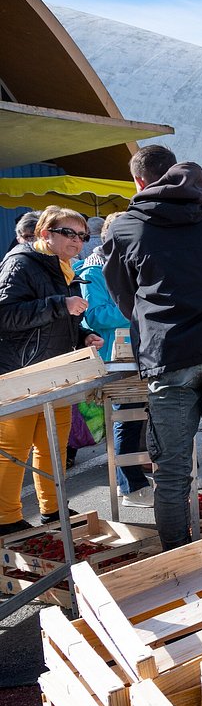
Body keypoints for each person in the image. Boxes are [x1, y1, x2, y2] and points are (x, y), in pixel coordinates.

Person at [102, 145, 202, 551]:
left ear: (139, 181)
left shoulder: (124, 228)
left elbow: (124, 296)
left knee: (173, 472)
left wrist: (153, 319)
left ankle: (178, 561)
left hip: (169, 353)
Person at [0, 206, 104, 534]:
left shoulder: (64, 268)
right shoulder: (20, 263)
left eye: (82, 235)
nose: (78, 241)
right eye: (69, 233)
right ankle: (5, 518)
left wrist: (82, 335)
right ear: (46, 234)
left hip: (58, 370)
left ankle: (53, 508)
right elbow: (6, 315)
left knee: (53, 446)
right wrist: (59, 305)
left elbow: (62, 320)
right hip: (21, 371)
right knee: (12, 449)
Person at [79, 212, 154, 507]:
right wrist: (142, 310)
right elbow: (95, 316)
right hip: (115, 357)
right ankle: (130, 486)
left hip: (144, 352)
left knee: (143, 418)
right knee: (125, 418)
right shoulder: (92, 270)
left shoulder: (133, 264)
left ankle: (137, 479)